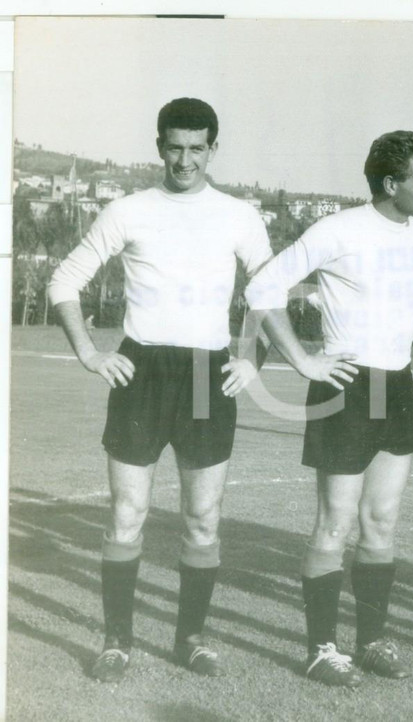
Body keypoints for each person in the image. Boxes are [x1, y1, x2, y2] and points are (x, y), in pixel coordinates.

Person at [47, 98, 274, 682]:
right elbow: (64, 279)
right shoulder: (127, 210)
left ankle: (191, 637)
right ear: (159, 147)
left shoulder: (240, 216)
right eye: (175, 146)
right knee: (128, 512)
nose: (185, 159)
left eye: (197, 148)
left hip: (207, 375)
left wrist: (254, 361)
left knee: (203, 517)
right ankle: (117, 640)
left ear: (213, 150)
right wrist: (90, 353)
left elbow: (272, 293)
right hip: (141, 371)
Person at [244, 130, 413, 688]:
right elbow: (262, 288)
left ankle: (372, 640)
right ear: (390, 183)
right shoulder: (338, 230)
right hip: (345, 387)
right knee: (335, 521)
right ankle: (321, 648)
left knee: (381, 522)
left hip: (397, 387)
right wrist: (305, 361)